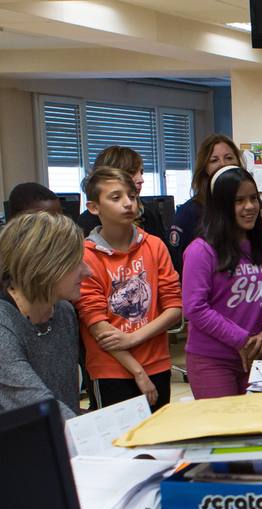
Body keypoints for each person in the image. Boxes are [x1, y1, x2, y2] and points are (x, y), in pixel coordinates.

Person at [0, 211, 89, 421]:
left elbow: (65, 401)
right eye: (76, 263)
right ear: (44, 267)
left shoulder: (63, 311)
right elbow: (40, 406)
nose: (88, 271)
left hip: (50, 440)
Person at [76, 166, 183, 409]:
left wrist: (132, 338)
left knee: (157, 441)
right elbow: (98, 326)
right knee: (118, 443)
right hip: (111, 370)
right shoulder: (86, 256)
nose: (128, 204)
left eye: (132, 196)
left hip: (156, 362)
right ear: (94, 208)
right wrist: (138, 372)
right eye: (116, 198)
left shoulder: (154, 246)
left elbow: (174, 307)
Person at [180, 166, 262, 399]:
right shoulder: (201, 251)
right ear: (222, 207)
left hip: (260, 354)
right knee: (224, 432)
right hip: (213, 360)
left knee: (259, 430)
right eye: (239, 200)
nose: (250, 207)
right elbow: (195, 308)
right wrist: (242, 340)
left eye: (253, 198)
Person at [0, 182, 61, 313]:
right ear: (19, 222)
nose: (57, 228)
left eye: (59, 219)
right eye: (45, 222)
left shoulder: (46, 261)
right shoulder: (0, 274)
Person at [168, 133, 238, 274]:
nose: (223, 164)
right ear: (205, 167)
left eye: (229, 158)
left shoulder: (245, 207)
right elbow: (177, 265)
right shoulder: (188, 212)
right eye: (214, 160)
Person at [76, 145, 145, 235]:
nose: (141, 179)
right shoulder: (87, 222)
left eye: (141, 172)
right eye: (131, 172)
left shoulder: (148, 213)